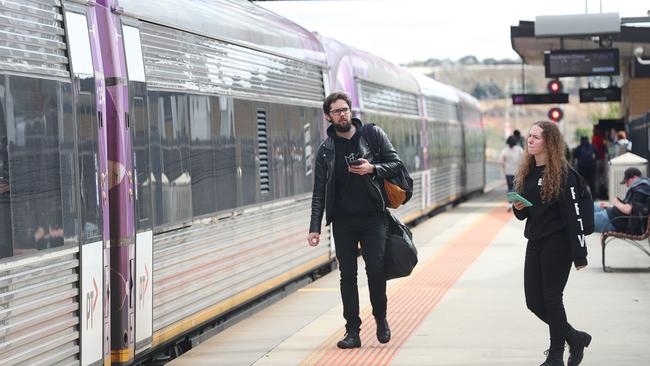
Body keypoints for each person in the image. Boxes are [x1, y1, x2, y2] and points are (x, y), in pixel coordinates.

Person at [307, 91, 403, 349]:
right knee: (347, 276)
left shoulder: (372, 136)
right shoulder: (326, 150)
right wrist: (314, 227)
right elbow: (319, 191)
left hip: (373, 218)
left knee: (376, 271)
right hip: (343, 222)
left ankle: (381, 319)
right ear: (328, 116)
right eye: (337, 111)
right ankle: (352, 331)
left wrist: (373, 168)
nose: (342, 114)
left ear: (351, 111)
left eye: (345, 109)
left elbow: (397, 164)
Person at [512, 121, 591, 366]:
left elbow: (574, 215)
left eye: (536, 137)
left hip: (558, 243)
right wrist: (518, 208)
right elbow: (525, 213)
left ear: (549, 142)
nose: (530, 140)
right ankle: (574, 337)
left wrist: (579, 254)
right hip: (535, 241)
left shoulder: (564, 175)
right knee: (533, 301)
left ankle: (556, 354)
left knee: (552, 298)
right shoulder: (528, 172)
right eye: (529, 136)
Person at [593, 167, 650, 234]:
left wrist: (616, 202)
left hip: (616, 220)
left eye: (627, 182)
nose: (626, 185)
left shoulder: (641, 189)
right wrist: (611, 206)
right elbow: (632, 208)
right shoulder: (643, 188)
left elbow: (628, 210)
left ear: (634, 177)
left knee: (585, 219)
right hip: (616, 217)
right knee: (592, 207)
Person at [498, 135, 523, 211]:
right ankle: (514, 203)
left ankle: (509, 203)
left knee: (509, 187)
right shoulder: (519, 150)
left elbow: (500, 162)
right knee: (516, 188)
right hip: (517, 172)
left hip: (508, 172)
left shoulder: (505, 151)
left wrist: (504, 168)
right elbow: (523, 159)